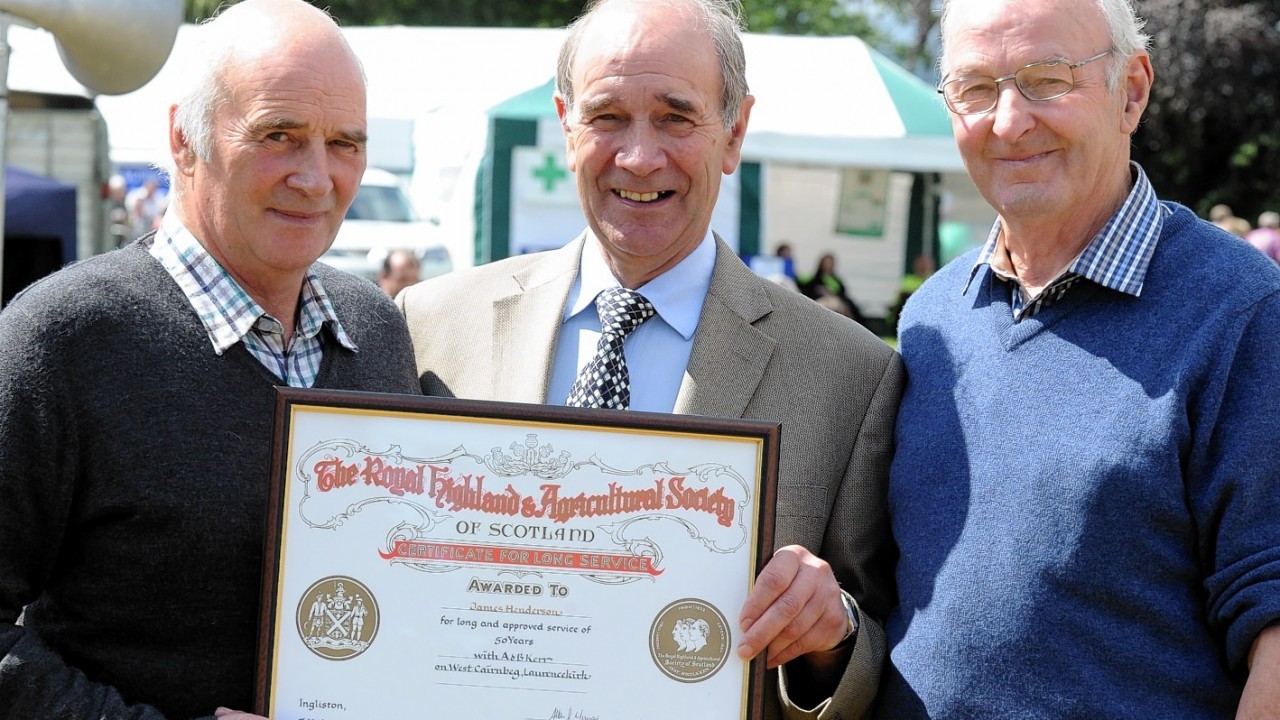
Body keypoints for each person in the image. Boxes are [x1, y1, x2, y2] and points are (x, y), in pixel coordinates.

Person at [398, 0, 903, 717]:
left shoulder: (849, 374)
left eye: (675, 117)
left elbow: (872, 648)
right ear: (566, 123)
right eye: (607, 117)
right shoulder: (434, 325)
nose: (639, 157)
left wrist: (832, 633)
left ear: (733, 133)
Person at [0, 1, 420, 717]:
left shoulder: (374, 331)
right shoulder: (62, 340)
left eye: (345, 143)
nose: (317, 178)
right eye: (279, 136)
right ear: (184, 138)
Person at [877, 0, 1280, 717]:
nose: (1008, 121)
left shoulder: (1245, 312)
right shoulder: (931, 319)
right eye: (975, 88)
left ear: (1131, 91)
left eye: (1046, 78)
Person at [799, 253, 869, 327]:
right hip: (821, 304)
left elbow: (843, 294)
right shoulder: (815, 279)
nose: (828, 265)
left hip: (838, 304)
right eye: (826, 263)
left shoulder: (836, 280)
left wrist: (832, 292)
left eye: (830, 263)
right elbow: (808, 291)